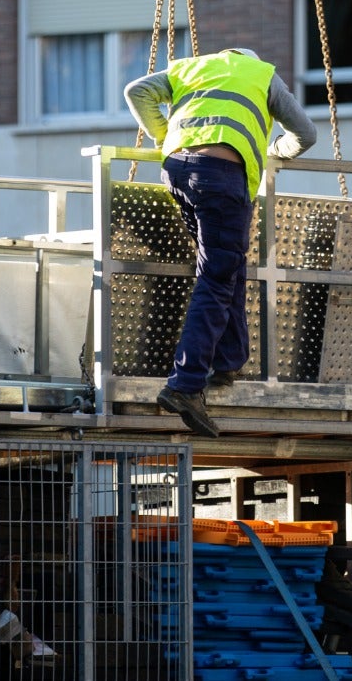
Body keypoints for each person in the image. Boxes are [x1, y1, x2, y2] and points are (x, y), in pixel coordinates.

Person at [124, 47, 317, 436]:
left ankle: (229, 360)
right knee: (215, 278)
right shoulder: (261, 74)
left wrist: (167, 138)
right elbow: (306, 135)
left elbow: (136, 91)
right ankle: (186, 384)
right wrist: (272, 150)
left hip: (178, 170)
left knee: (223, 267)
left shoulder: (191, 68)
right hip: (223, 177)